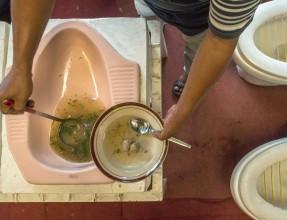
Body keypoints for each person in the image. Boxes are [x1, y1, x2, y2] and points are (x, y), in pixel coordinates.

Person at [0, 0, 261, 141]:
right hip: (152, 3)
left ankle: (186, 70)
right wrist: (21, 68)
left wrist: (183, 110)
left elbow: (219, 42)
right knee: (148, 24)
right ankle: (158, 42)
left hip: (200, 18)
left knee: (196, 50)